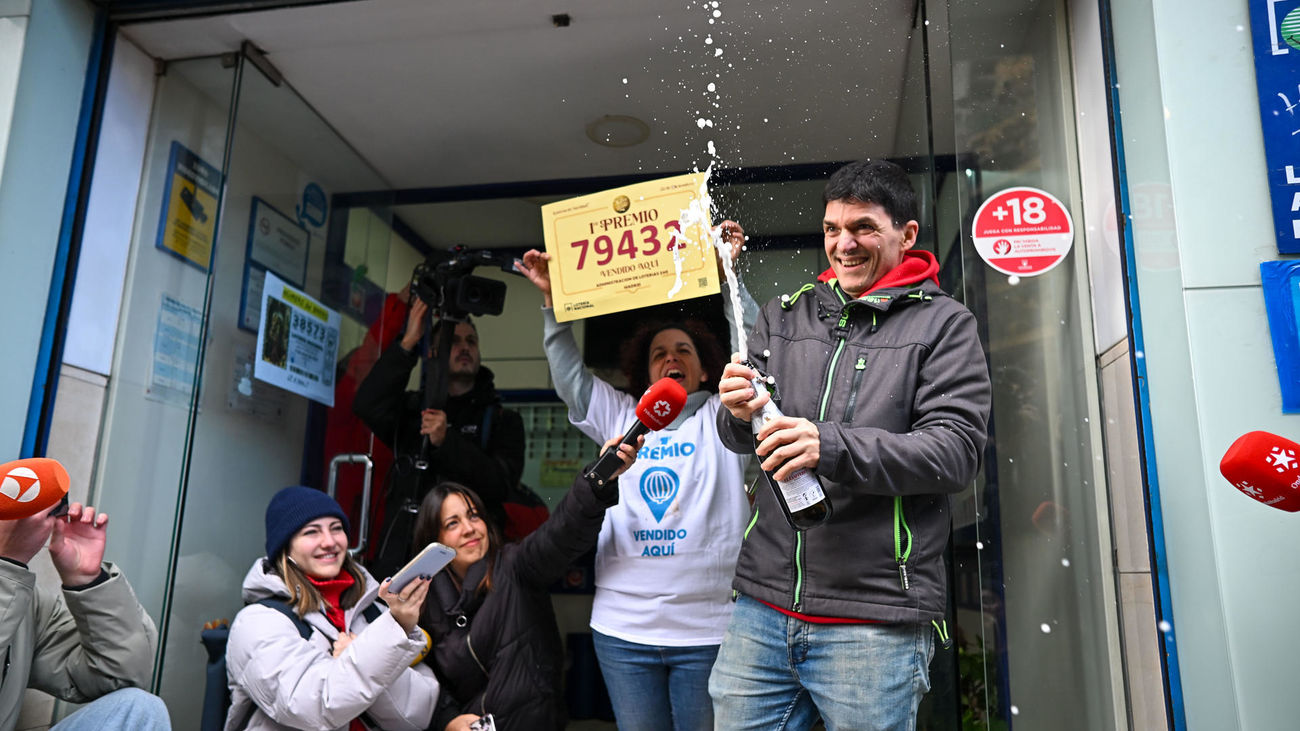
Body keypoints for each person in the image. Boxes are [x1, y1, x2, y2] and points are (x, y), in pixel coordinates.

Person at [711, 158, 993, 730]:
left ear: (906, 234)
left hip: (874, 619)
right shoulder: (782, 316)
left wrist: (830, 446)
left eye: (864, 227)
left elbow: (955, 452)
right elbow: (740, 434)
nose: (844, 244)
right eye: (832, 229)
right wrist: (737, 413)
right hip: (762, 607)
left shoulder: (945, 325)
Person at [514, 226, 756, 731]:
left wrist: (728, 274)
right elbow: (570, 379)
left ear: (706, 370)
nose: (672, 358)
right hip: (623, 630)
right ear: (645, 374)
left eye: (684, 350)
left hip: (708, 630)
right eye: (659, 353)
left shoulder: (725, 414)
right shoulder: (621, 415)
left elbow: (751, 358)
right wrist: (554, 304)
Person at [413, 435, 639, 731]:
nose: (469, 528)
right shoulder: (424, 602)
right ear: (434, 538)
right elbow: (419, 679)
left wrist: (599, 477)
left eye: (474, 516)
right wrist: (448, 720)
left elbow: (562, 532)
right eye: (452, 523)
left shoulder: (514, 566)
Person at [224, 486, 440, 730]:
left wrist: (367, 654)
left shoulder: (375, 612)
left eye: (336, 528)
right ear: (285, 547)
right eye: (311, 532)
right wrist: (372, 655)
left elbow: (417, 717)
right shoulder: (258, 621)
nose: (329, 542)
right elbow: (314, 708)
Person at [353, 294, 526, 579]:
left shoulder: (502, 420)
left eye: (471, 341)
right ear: (434, 353)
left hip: (469, 567)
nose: (465, 347)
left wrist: (447, 442)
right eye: (454, 341)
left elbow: (501, 485)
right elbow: (366, 405)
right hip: (404, 557)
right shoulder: (413, 410)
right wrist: (408, 343)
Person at [0, 498, 167, 731]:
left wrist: (88, 582)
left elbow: (120, 676)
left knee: (139, 708)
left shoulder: (28, 605)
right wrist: (7, 565)